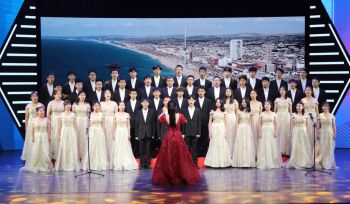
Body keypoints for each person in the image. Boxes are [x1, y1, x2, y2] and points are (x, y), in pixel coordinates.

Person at [152, 101, 200, 185]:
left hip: (168, 137)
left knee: (168, 155)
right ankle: (180, 174)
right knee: (180, 156)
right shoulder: (180, 115)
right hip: (178, 137)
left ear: (168, 108)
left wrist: (164, 111)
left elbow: (159, 119)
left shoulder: (165, 116)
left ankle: (169, 175)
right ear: (175, 108)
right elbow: (185, 121)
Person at [20, 106, 52, 172]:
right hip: (37, 136)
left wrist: (49, 136)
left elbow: (49, 129)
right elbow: (33, 129)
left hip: (44, 136)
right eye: (40, 111)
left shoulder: (47, 119)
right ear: (37, 112)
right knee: (35, 150)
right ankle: (35, 165)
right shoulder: (34, 119)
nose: (42, 112)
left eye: (43, 111)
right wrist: (33, 137)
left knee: (44, 150)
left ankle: (44, 165)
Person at [204, 98, 232, 168]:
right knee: (214, 143)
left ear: (221, 103)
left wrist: (225, 132)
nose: (218, 103)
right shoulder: (212, 111)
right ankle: (213, 162)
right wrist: (209, 132)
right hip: (214, 129)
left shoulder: (224, 112)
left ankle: (222, 162)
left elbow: (226, 123)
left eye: (219, 102)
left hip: (221, 128)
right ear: (215, 103)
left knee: (221, 144)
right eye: (217, 102)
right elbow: (209, 122)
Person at [112, 102, 138, 171]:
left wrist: (129, 134)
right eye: (121, 105)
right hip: (118, 132)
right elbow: (114, 125)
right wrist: (113, 134)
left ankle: (126, 163)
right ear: (118, 107)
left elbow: (128, 125)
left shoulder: (127, 114)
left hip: (124, 131)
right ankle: (118, 163)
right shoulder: (115, 115)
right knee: (118, 147)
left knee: (125, 146)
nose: (122, 106)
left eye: (123, 105)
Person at [82, 102, 108, 171]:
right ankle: (90, 164)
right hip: (92, 132)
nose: (96, 107)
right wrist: (87, 131)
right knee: (91, 147)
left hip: (99, 131)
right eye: (95, 106)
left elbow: (103, 125)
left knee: (99, 147)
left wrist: (103, 133)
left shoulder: (102, 114)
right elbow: (88, 124)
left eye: (98, 106)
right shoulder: (90, 114)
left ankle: (100, 164)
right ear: (93, 107)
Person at [55, 100, 80, 171]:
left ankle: (72, 163)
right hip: (64, 131)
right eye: (67, 105)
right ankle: (64, 164)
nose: (68, 106)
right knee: (64, 146)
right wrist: (59, 134)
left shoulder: (73, 114)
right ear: (64, 106)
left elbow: (75, 125)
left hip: (71, 131)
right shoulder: (61, 114)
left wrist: (76, 133)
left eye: (69, 105)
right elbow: (59, 126)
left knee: (71, 147)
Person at [286, 102, 312, 169]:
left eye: (300, 106)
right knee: (296, 146)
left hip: (303, 132)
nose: (298, 107)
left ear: (303, 107)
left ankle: (303, 162)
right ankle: (295, 162)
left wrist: (307, 134)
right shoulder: (293, 115)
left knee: (303, 146)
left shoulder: (306, 115)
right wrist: (292, 133)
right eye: (297, 106)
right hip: (296, 132)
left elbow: (307, 126)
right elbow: (291, 125)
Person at [257, 100, 281, 169]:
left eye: (268, 104)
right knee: (264, 145)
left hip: (271, 130)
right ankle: (264, 161)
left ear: (270, 106)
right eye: (265, 104)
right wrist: (260, 132)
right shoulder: (261, 114)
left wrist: (276, 132)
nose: (266, 106)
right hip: (264, 130)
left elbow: (276, 124)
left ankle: (273, 161)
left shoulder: (274, 114)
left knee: (271, 145)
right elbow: (259, 124)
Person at [232, 98, 256, 167]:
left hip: (248, 129)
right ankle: (240, 162)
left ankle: (247, 162)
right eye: (242, 102)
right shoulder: (239, 111)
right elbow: (237, 122)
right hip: (240, 128)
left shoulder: (250, 112)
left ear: (247, 103)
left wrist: (252, 130)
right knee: (241, 144)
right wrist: (237, 130)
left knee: (247, 144)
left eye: (245, 102)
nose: (243, 103)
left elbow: (252, 122)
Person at [21, 92, 44, 161]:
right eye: (33, 96)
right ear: (31, 97)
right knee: (30, 139)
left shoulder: (41, 105)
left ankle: (38, 155)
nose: (35, 97)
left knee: (37, 139)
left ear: (38, 97)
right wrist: (26, 126)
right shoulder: (28, 106)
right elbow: (26, 116)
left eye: (36, 96)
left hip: (38, 124)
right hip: (30, 124)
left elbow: (43, 116)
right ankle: (30, 156)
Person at [135, 98, 156, 169]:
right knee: (141, 149)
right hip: (141, 133)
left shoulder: (152, 111)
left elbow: (153, 123)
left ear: (148, 104)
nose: (145, 104)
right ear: (141, 104)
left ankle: (147, 163)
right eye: (144, 102)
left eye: (146, 102)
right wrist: (136, 135)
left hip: (149, 133)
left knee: (148, 149)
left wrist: (153, 134)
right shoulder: (139, 112)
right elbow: (137, 124)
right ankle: (142, 163)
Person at [182, 96, 201, 167]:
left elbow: (199, 122)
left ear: (194, 101)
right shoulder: (184, 110)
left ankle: (195, 164)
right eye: (189, 99)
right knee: (186, 149)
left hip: (195, 132)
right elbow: (183, 122)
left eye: (192, 100)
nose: (191, 101)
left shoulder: (198, 110)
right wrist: (183, 133)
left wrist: (198, 133)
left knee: (194, 149)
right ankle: (185, 164)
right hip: (186, 132)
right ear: (188, 101)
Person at [100, 90, 118, 168]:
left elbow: (116, 114)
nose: (108, 94)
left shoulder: (114, 103)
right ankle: (104, 159)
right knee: (104, 139)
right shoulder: (101, 103)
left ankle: (112, 159)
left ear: (111, 95)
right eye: (106, 93)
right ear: (104, 95)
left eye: (109, 93)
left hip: (112, 122)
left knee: (111, 139)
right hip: (103, 122)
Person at [317, 102, 337, 170]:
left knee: (329, 148)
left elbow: (334, 126)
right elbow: (318, 126)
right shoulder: (320, 115)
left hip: (329, 133)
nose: (324, 108)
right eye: (323, 106)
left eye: (325, 106)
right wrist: (317, 134)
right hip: (322, 133)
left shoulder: (332, 116)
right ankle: (322, 163)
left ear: (328, 107)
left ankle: (328, 163)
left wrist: (335, 134)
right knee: (322, 148)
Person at [72, 91, 90, 160]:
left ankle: (84, 155)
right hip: (77, 121)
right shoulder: (75, 104)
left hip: (85, 121)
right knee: (78, 137)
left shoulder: (87, 104)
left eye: (84, 95)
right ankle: (77, 156)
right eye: (81, 95)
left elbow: (89, 115)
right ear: (78, 96)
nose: (83, 96)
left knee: (84, 137)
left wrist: (88, 124)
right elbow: (73, 115)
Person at [274, 86, 292, 156]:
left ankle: (286, 150)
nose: (282, 91)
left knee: (286, 133)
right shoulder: (277, 99)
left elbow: (290, 111)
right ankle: (279, 150)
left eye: (283, 90)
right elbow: (274, 111)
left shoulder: (288, 100)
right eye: (280, 90)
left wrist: (291, 119)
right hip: (278, 116)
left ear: (286, 91)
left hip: (286, 117)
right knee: (279, 132)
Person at [46, 90, 64, 160]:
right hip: (53, 120)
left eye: (60, 94)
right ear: (54, 95)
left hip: (62, 120)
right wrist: (50, 121)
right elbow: (47, 114)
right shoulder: (51, 103)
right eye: (58, 94)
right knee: (54, 136)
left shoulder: (63, 102)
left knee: (61, 135)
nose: (59, 95)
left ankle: (61, 153)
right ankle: (54, 153)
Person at [195, 86, 212, 157]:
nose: (201, 92)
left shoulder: (208, 101)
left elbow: (209, 112)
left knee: (205, 138)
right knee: (198, 138)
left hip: (205, 123)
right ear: (198, 92)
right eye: (199, 91)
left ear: (204, 92)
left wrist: (209, 122)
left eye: (202, 91)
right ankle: (198, 152)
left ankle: (204, 152)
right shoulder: (195, 101)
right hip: (196, 123)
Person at [301, 86, 319, 151]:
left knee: (313, 134)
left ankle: (313, 151)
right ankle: (306, 151)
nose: (307, 91)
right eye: (306, 90)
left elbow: (317, 111)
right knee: (306, 134)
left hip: (313, 118)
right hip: (305, 118)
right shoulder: (302, 100)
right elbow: (301, 110)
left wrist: (318, 120)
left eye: (309, 90)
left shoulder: (315, 100)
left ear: (311, 91)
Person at [125, 89, 141, 156]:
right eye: (132, 93)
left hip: (138, 124)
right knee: (129, 139)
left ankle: (136, 153)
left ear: (136, 95)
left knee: (136, 139)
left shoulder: (139, 103)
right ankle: (129, 154)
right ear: (130, 94)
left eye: (135, 93)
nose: (133, 94)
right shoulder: (126, 103)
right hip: (128, 124)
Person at [223, 88, 238, 156]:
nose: (228, 92)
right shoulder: (223, 101)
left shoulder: (234, 101)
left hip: (232, 118)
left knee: (232, 135)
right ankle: (226, 154)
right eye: (227, 91)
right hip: (224, 119)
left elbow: (237, 112)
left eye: (229, 91)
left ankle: (232, 154)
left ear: (231, 93)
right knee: (226, 135)